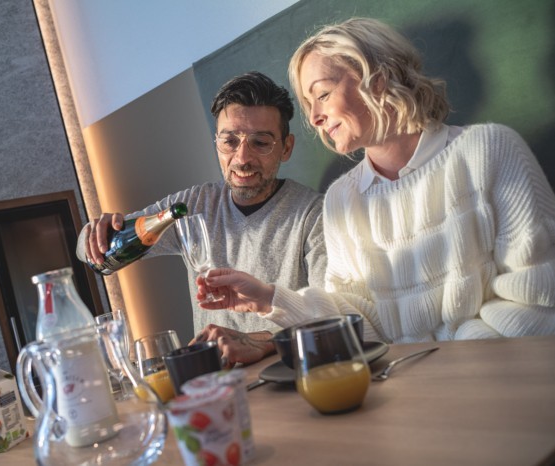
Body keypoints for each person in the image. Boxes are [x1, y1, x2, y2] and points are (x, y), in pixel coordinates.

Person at [198, 18, 555, 343]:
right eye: (309, 105)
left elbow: (538, 297)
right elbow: (359, 321)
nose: (316, 118)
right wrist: (268, 298)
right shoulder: (341, 198)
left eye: (322, 94)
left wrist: (450, 363)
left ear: (378, 78)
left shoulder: (489, 150)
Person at [77, 71, 326, 366]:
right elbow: (89, 251)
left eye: (260, 143)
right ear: (216, 144)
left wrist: (259, 342)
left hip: (293, 376)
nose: (242, 157)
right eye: (230, 141)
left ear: (286, 147)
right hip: (216, 383)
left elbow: (328, 315)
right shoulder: (194, 204)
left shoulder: (314, 213)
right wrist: (93, 234)